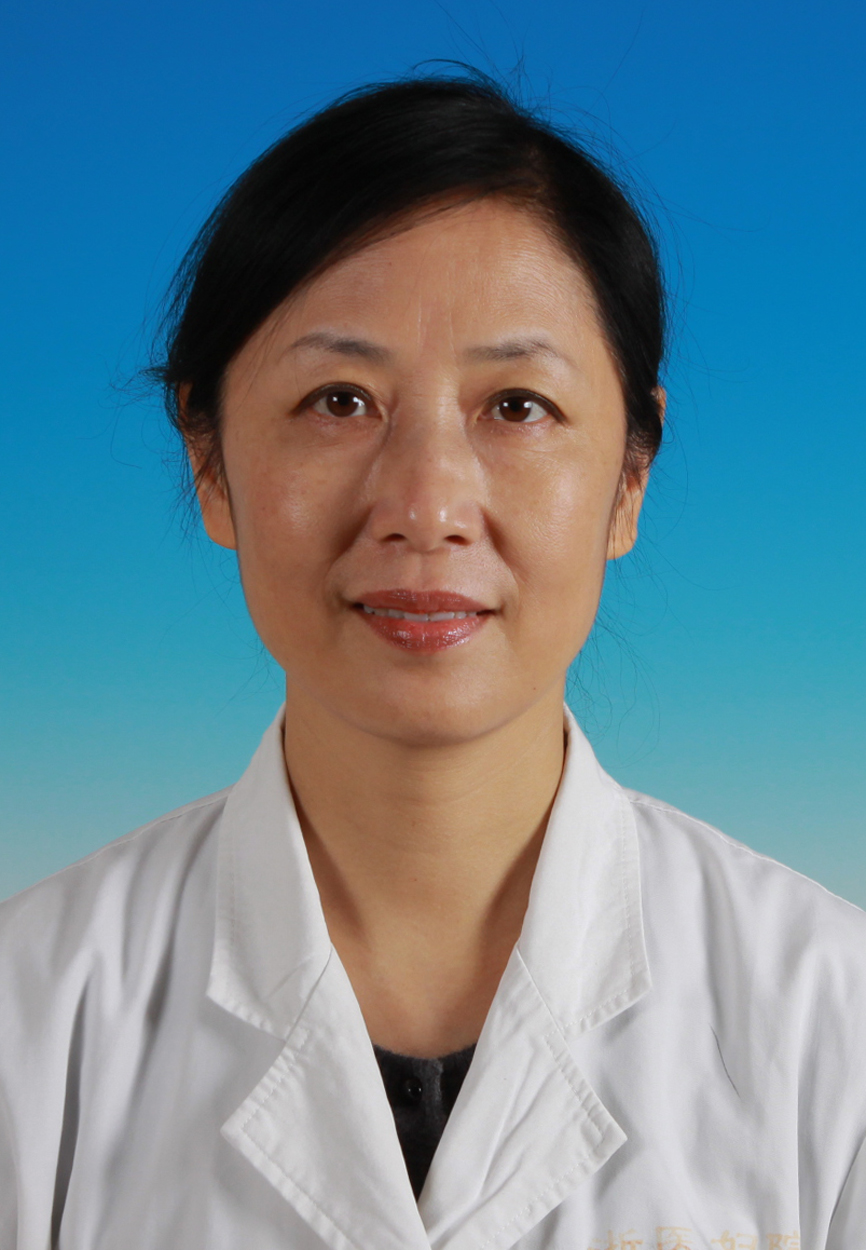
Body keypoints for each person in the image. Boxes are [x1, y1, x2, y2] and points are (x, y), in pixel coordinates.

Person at [0, 74, 863, 1250]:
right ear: (209, 461)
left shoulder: (831, 1021)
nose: (426, 504)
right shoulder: (31, 1017)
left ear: (628, 476)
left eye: (516, 406)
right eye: (338, 399)